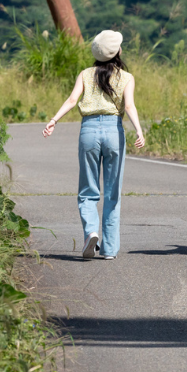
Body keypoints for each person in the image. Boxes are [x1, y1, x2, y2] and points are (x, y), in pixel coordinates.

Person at [43, 30, 145, 260]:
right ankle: (109, 249)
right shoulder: (126, 77)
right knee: (112, 192)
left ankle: (91, 231)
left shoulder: (86, 74)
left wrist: (53, 120)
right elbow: (129, 107)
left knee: (88, 189)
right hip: (114, 131)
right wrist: (138, 130)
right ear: (118, 51)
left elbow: (72, 100)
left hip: (88, 130)